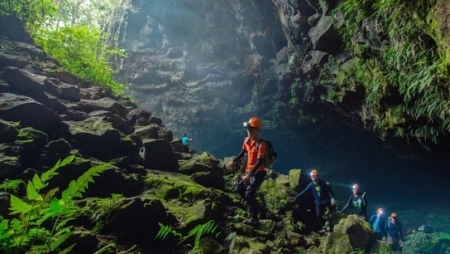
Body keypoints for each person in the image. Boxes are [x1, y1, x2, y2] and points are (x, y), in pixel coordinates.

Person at [226, 117, 268, 225]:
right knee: (239, 188)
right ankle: (255, 206)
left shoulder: (261, 144)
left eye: (251, 129)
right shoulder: (247, 140)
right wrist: (234, 161)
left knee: (249, 193)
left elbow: (259, 161)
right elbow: (244, 151)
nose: (249, 131)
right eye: (248, 129)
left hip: (258, 172)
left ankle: (254, 219)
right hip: (249, 170)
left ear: (257, 130)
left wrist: (249, 175)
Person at [292, 169, 336, 233]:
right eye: (312, 176)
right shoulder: (311, 185)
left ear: (317, 176)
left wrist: (332, 198)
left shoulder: (323, 183)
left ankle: (331, 228)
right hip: (318, 204)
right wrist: (296, 197)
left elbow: (329, 191)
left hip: (325, 202)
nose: (312, 177)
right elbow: (304, 191)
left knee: (329, 215)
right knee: (318, 216)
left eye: (314, 176)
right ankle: (324, 228)